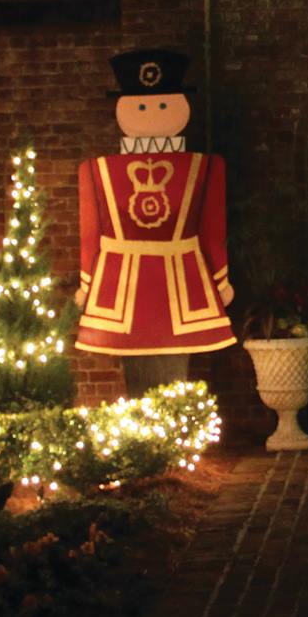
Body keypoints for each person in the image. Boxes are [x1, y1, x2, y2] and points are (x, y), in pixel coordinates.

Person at [74, 48, 234, 393]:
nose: (152, 113)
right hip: (124, 284)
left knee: (177, 366)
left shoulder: (206, 167)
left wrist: (220, 277)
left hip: (181, 280)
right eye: (143, 106)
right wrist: (87, 281)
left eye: (162, 105)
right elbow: (91, 234)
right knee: (135, 372)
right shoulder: (95, 170)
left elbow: (212, 231)